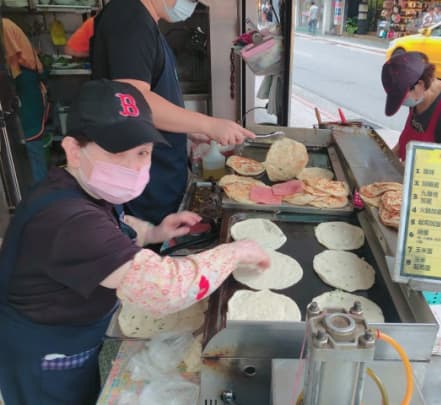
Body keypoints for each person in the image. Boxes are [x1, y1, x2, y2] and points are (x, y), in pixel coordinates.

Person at [0, 79, 269, 405]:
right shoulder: (69, 221)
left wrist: (153, 233)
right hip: (44, 353)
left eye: (143, 152)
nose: (134, 166)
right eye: (117, 152)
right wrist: (235, 251)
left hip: (71, 331)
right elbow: (164, 289)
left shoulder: (78, 186)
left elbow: (115, 225)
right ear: (73, 149)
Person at [92, 0, 255, 225]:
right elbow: (134, 101)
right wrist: (207, 124)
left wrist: (188, 129)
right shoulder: (129, 18)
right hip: (145, 180)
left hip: (159, 173)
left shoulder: (142, 19)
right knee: (151, 249)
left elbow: (151, 95)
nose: (188, 6)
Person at [381, 51, 441, 161]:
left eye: (402, 97)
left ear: (420, 84)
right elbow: (405, 140)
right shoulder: (418, 97)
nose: (402, 103)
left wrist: (412, 170)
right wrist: (387, 160)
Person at [2, 18, 49, 183]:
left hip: (26, 89)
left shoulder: (4, 27)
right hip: (25, 87)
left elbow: (12, 68)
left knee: (31, 142)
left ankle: (40, 195)